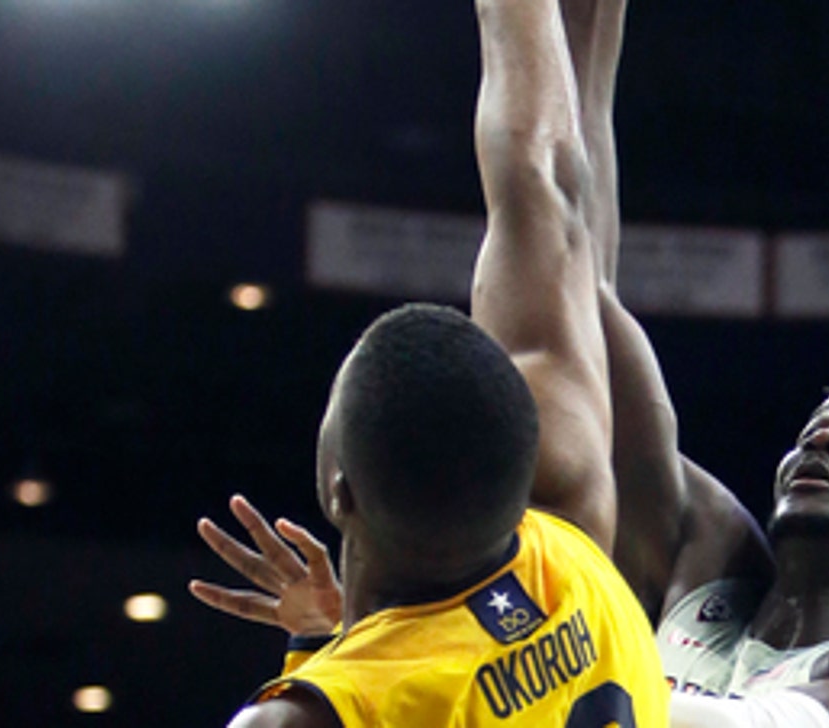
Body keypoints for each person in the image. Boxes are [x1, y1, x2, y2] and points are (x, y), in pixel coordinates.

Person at [196, 0, 829, 724]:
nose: (826, 441)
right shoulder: (712, 563)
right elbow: (571, 278)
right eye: (818, 428)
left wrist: (475, 664)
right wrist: (403, 639)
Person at [190, 0, 671, 724]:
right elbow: (546, 180)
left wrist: (329, 649)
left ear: (340, 492)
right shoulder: (570, 547)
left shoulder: (316, 715)